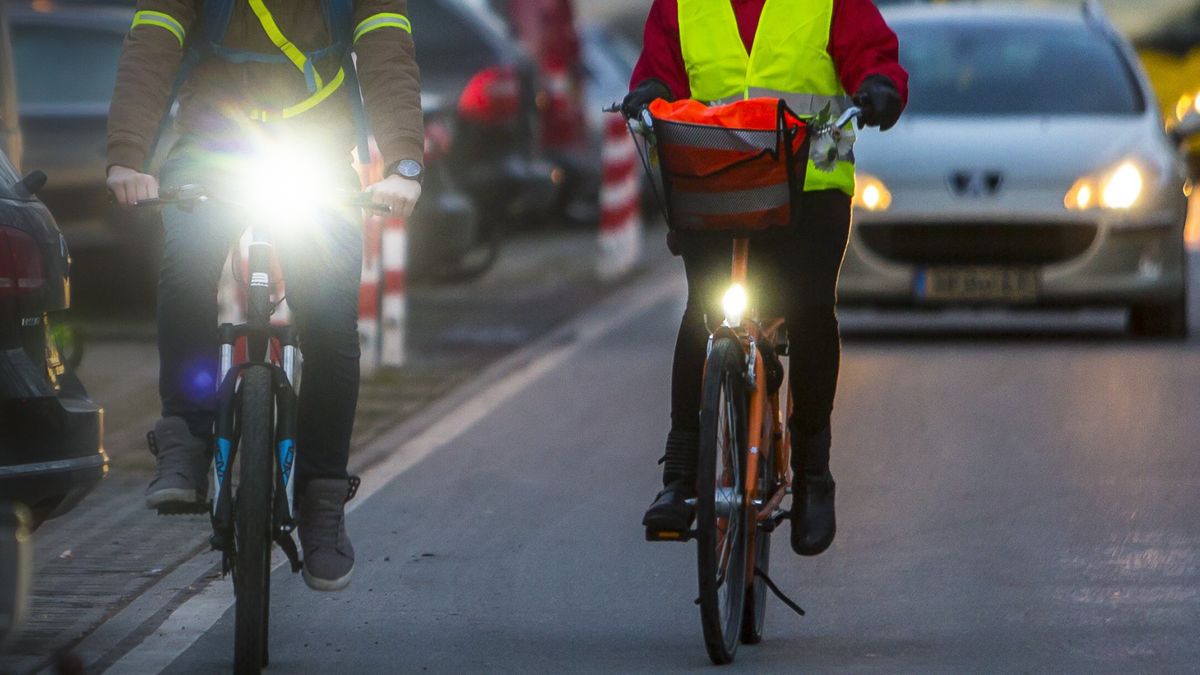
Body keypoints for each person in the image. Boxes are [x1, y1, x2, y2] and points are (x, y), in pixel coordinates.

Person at [106, 0, 424, 591]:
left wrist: (404, 160)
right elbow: (153, 41)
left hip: (316, 153)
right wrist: (128, 153)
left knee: (330, 324)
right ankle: (185, 432)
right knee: (185, 266)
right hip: (212, 145)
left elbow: (386, 54)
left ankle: (322, 499)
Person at [624, 0, 907, 556]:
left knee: (808, 313)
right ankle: (681, 477)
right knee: (703, 311)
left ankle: (813, 475)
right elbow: (660, 68)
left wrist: (879, 86)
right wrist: (648, 90)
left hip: (811, 190)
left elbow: (871, 54)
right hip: (713, 186)